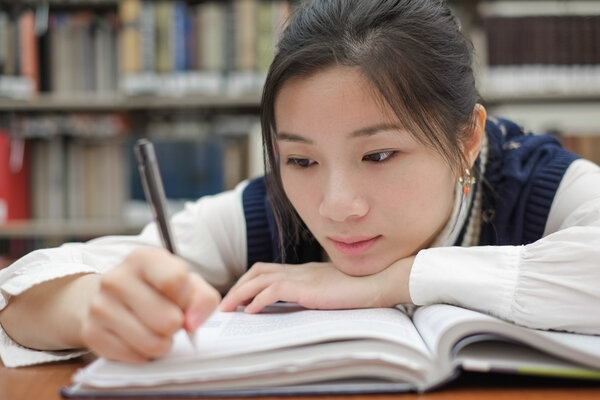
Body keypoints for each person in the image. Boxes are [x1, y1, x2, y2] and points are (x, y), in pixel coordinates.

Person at [1, 0, 599, 367]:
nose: (336, 207)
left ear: (468, 138)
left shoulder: (533, 178)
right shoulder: (267, 210)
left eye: (380, 154)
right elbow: (22, 293)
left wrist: (393, 280)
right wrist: (91, 309)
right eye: (302, 161)